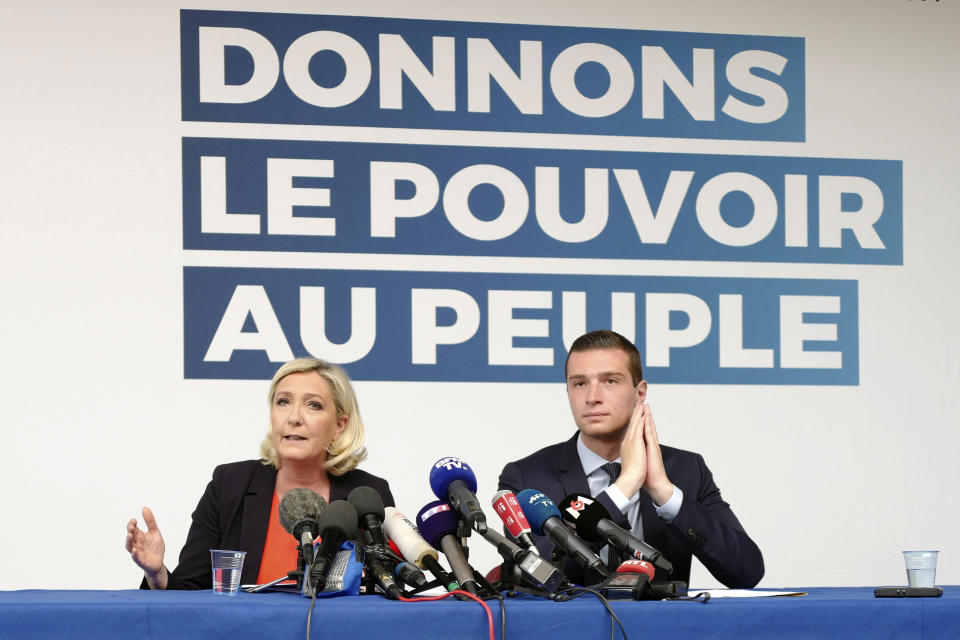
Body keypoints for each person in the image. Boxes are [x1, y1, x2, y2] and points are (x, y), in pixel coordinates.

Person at [498, 330, 763, 588]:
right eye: (579, 383)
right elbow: (537, 574)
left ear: (640, 392)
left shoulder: (687, 469)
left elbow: (746, 572)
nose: (592, 398)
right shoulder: (526, 477)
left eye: (610, 381)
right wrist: (624, 487)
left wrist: (664, 492)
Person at [125, 358, 394, 589]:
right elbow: (191, 593)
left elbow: (389, 590)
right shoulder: (230, 486)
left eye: (313, 405)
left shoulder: (368, 495)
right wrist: (156, 573)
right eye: (283, 402)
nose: (294, 417)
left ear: (339, 424)